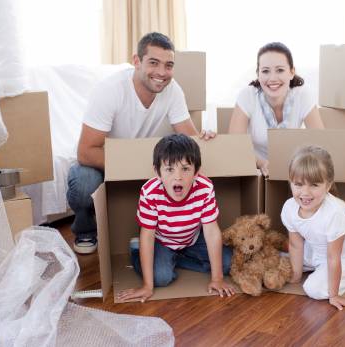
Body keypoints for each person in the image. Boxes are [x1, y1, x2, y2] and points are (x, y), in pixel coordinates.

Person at [67, 32, 213, 254]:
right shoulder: (110, 90)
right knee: (83, 180)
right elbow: (86, 152)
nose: (162, 73)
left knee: (181, 174)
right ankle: (86, 229)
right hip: (108, 165)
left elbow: (190, 141)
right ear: (136, 61)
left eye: (169, 65)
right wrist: (131, 167)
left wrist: (205, 137)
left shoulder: (172, 91)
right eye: (154, 63)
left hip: (147, 166)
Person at [117, 134, 234, 302]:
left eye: (185, 169)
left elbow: (211, 231)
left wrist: (217, 279)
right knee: (161, 277)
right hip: (162, 240)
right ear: (157, 172)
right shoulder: (150, 192)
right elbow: (148, 235)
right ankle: (137, 251)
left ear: (196, 172)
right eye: (169, 169)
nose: (178, 177)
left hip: (192, 239)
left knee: (228, 263)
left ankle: (177, 259)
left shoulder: (205, 188)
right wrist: (147, 286)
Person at [281, 145, 345, 311]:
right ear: (290, 182)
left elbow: (333, 257)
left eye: (314, 185)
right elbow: (296, 245)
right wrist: (295, 276)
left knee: (313, 289)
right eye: (298, 184)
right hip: (315, 250)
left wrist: (334, 295)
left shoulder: (335, 213)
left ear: (328, 185)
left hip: (344, 256)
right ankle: (313, 270)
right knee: (280, 263)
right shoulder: (289, 208)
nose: (305, 193)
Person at [228, 42, 324, 177]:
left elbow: (320, 144)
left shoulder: (302, 95)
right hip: (255, 170)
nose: (272, 78)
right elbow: (235, 145)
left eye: (280, 70)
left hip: (293, 170)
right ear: (258, 74)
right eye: (265, 71)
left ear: (291, 72)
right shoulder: (248, 95)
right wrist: (261, 163)